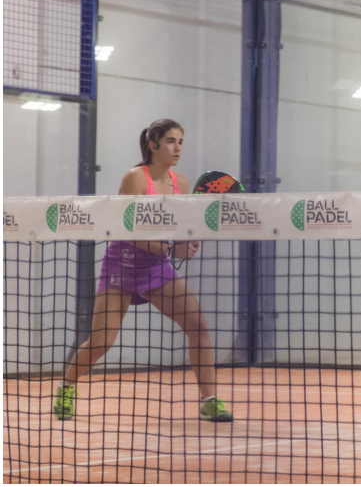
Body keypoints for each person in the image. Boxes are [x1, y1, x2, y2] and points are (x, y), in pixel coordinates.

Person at [52, 119, 233, 422]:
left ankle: (209, 400)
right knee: (101, 342)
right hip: (121, 265)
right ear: (153, 145)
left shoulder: (182, 183)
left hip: (156, 268)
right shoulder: (135, 178)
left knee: (198, 326)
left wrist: (186, 242)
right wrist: (171, 250)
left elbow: (179, 227)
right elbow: (124, 229)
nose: (178, 148)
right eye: (171, 141)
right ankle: (66, 388)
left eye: (181, 142)